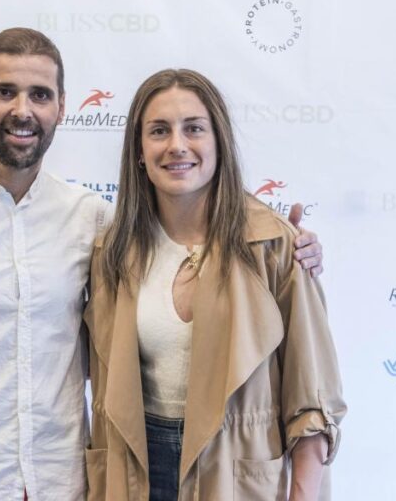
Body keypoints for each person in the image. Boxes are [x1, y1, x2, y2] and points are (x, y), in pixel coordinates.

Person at [0, 29, 324, 500]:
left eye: (40, 94)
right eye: (5, 91)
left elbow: (309, 394)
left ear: (62, 108)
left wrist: (290, 247)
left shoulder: (93, 222)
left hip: (65, 484)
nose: (22, 110)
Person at [84, 69, 346, 500]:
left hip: (234, 475)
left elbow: (312, 402)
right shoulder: (112, 252)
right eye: (159, 131)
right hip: (134, 473)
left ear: (218, 142)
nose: (177, 145)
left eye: (194, 129)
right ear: (139, 152)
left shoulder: (275, 245)